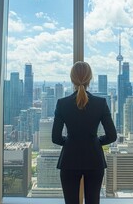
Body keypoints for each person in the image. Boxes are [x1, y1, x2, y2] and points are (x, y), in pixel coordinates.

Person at [52, 61, 117, 204]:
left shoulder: (62, 103)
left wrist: (70, 142)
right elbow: (112, 135)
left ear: (71, 79)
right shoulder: (101, 103)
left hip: (69, 160)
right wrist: (95, 141)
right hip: (94, 159)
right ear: (90, 78)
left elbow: (56, 138)